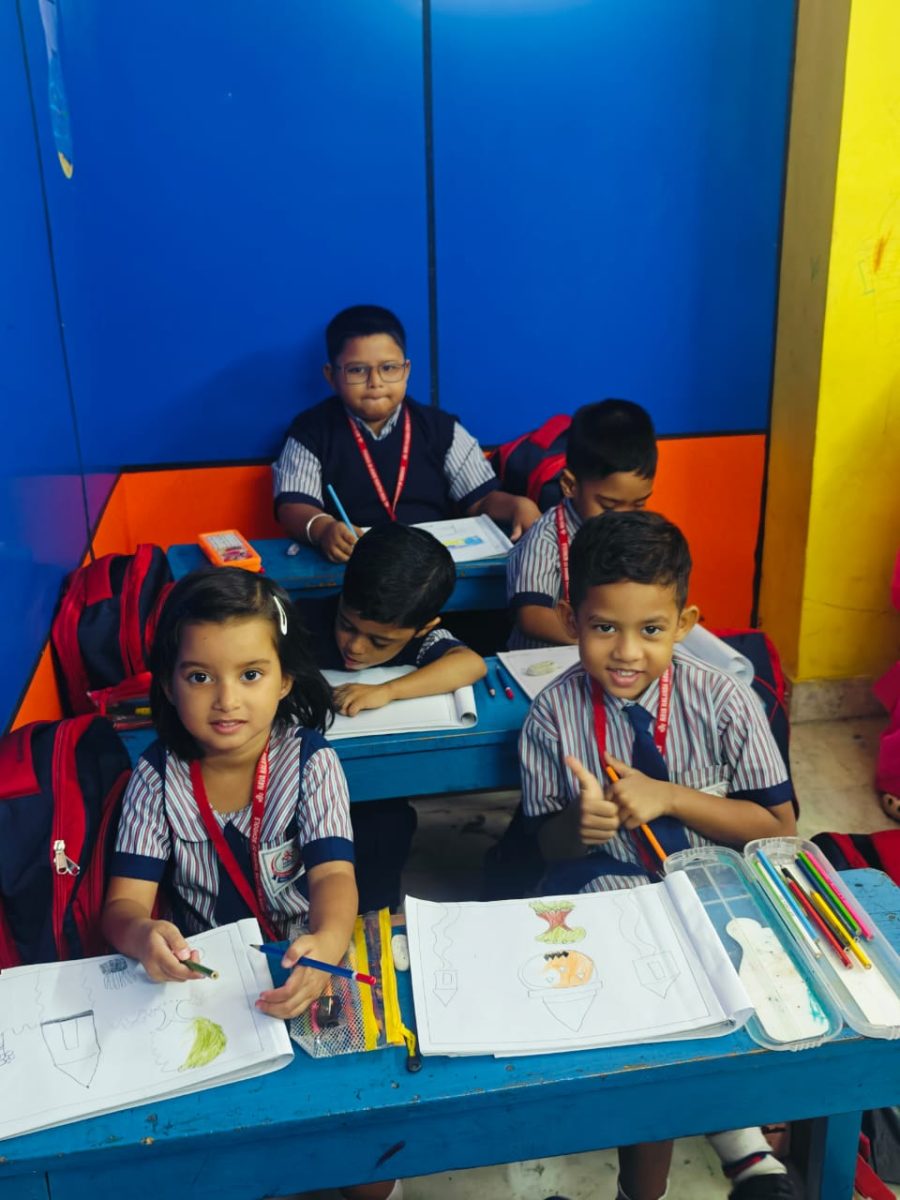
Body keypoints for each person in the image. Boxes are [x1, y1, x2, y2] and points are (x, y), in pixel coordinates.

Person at [515, 511, 797, 1200]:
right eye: (603, 627)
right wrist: (580, 826)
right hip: (607, 888)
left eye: (650, 630)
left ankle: (744, 1145)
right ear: (570, 619)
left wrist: (670, 797)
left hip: (719, 885)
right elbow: (545, 847)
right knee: (657, 1014)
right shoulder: (551, 714)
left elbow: (779, 830)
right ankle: (716, 1162)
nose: (626, 652)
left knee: (749, 987)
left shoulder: (725, 699)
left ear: (684, 622)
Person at [100, 567, 397, 1200]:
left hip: (308, 960)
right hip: (205, 980)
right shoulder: (155, 779)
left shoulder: (311, 762)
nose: (226, 700)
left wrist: (329, 940)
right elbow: (123, 905)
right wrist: (141, 934)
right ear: (168, 684)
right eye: (199, 677)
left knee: (363, 1150)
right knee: (222, 1142)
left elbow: (334, 876)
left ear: (285, 678)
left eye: (251, 674)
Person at [298, 522, 487, 913]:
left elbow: (470, 664)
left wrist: (387, 690)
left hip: (371, 795)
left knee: (388, 828)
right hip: (300, 791)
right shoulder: (299, 623)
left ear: (424, 628)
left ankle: (375, 916)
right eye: (347, 625)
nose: (355, 646)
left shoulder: (422, 641)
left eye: (379, 641)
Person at [272, 304, 540, 562]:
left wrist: (517, 505)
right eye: (357, 370)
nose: (375, 382)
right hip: (355, 564)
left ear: (406, 370)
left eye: (388, 368)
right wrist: (323, 529)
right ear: (331, 376)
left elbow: (482, 499)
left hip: (430, 565)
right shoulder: (311, 432)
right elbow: (293, 505)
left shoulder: (441, 429)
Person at [506, 398, 656, 650]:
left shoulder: (641, 534)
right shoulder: (545, 539)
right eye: (608, 506)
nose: (624, 518)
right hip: (545, 663)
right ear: (569, 485)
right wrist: (602, 638)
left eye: (639, 504)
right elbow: (531, 616)